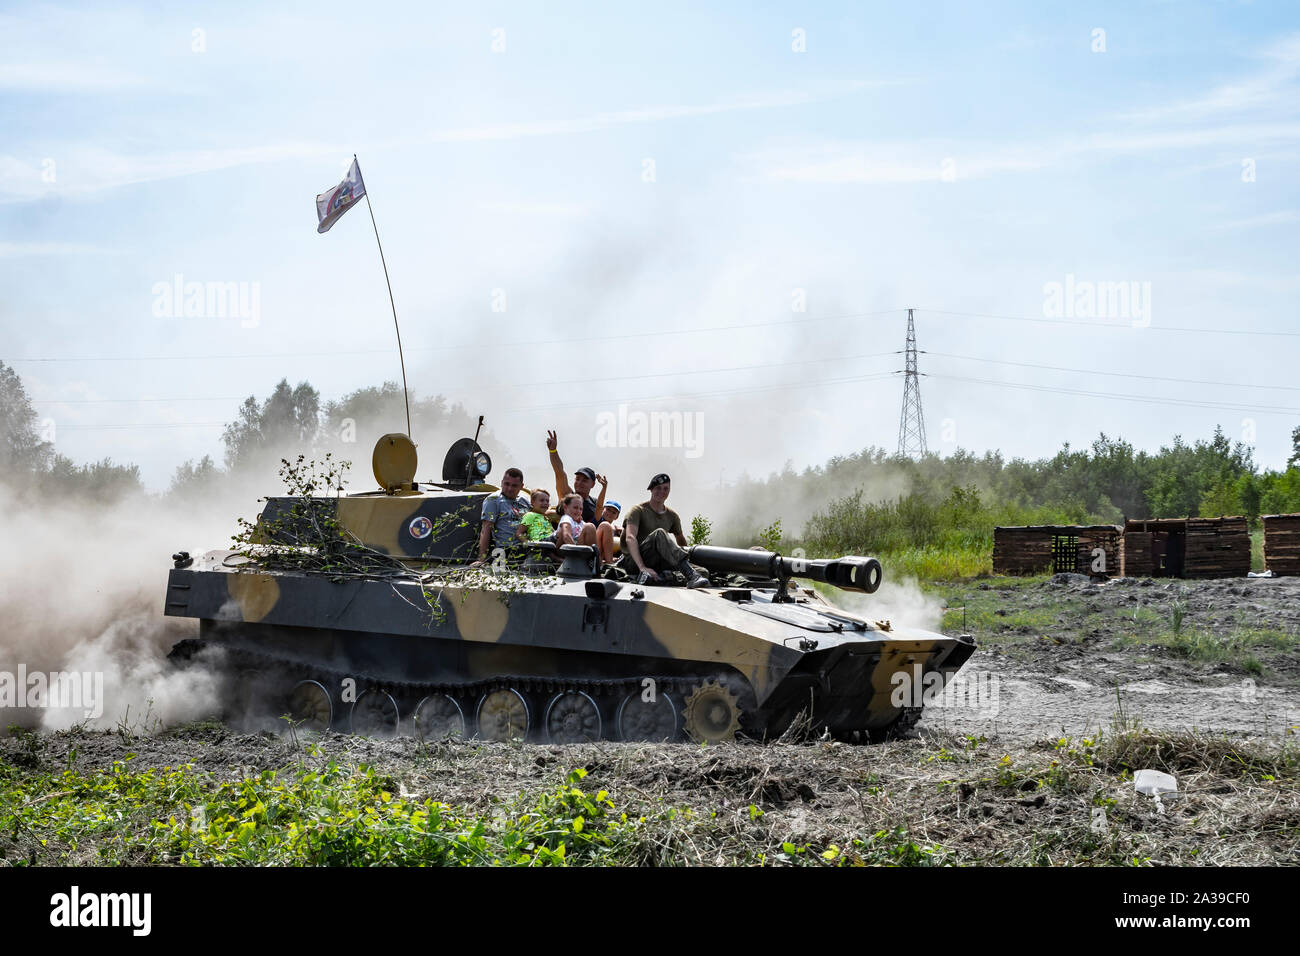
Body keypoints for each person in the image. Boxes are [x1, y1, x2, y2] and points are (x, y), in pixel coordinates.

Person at [619, 474, 708, 588]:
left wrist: (687, 563)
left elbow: (681, 541)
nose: (662, 492)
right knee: (659, 533)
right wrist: (642, 567)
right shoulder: (638, 511)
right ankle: (689, 576)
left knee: (703, 572)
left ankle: (661, 578)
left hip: (658, 561)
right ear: (651, 489)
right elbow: (630, 537)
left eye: (665, 489)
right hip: (635, 561)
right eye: (658, 488)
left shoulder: (672, 516)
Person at [545, 430, 609, 524]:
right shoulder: (567, 496)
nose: (579, 483)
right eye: (577, 479)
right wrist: (553, 451)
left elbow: (600, 518)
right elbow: (559, 473)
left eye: (584, 480)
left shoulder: (595, 502)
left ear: (593, 484)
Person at [474, 467, 528, 565]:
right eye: (506, 484)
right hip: (506, 550)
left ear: (521, 486)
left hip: (526, 547)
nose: (509, 488)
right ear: (501, 482)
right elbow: (486, 529)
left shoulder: (524, 502)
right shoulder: (494, 500)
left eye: (514, 485)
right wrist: (481, 560)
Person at [596, 500, 621, 564]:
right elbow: (598, 505)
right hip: (595, 550)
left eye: (614, 512)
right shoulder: (597, 519)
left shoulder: (615, 528)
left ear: (617, 517)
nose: (610, 513)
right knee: (605, 525)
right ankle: (609, 561)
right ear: (602, 510)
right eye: (608, 510)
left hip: (604, 554)